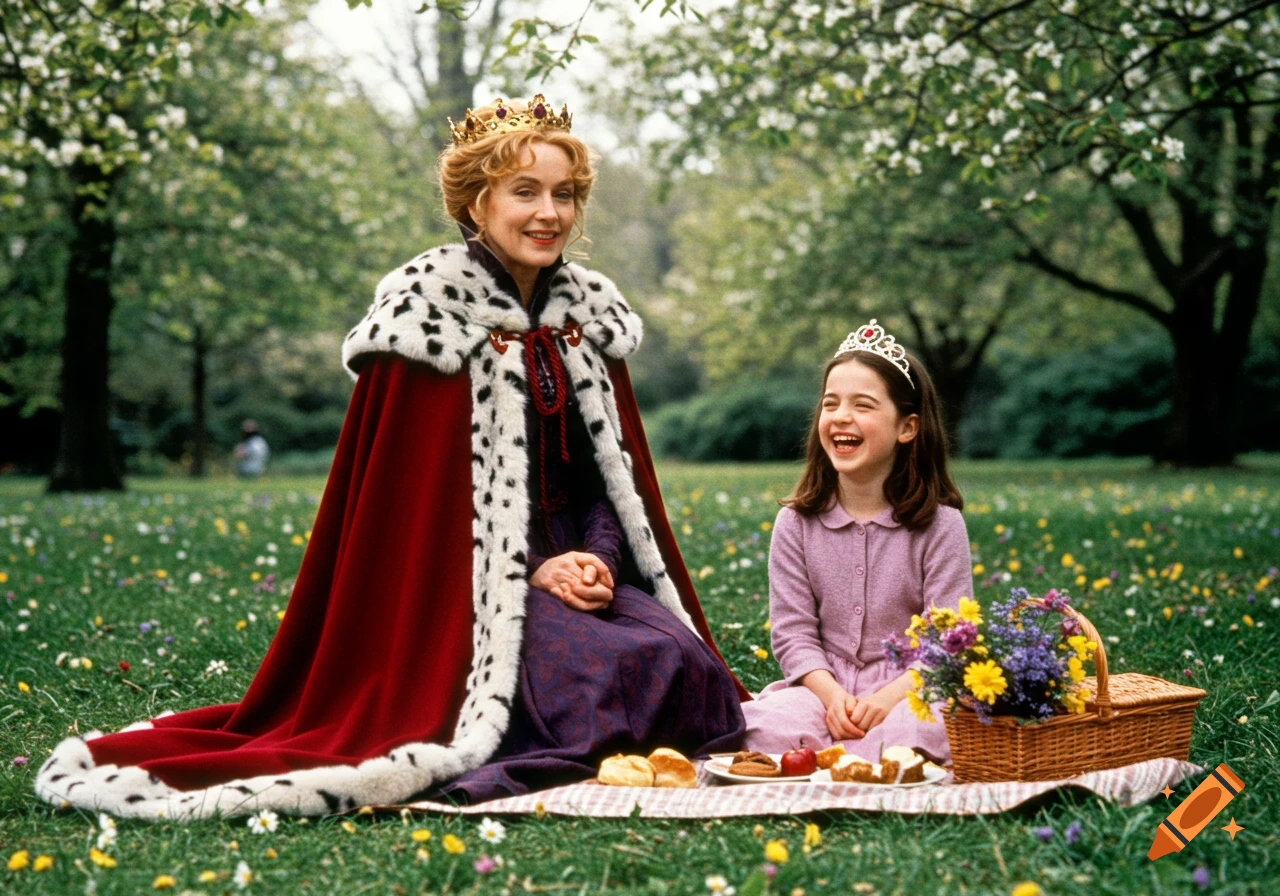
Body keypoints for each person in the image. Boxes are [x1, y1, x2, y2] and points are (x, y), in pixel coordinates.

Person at [35, 94, 746, 819]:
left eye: (564, 195)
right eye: (525, 192)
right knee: (607, 677)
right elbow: (412, 514)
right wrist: (533, 567)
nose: (549, 213)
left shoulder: (585, 321)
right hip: (461, 594)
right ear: (477, 204)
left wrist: (596, 558)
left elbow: (609, 484)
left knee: (685, 668)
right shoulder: (426, 320)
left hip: (576, 567)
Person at [740, 320, 973, 763]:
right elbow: (793, 634)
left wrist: (883, 702)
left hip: (909, 689)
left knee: (927, 728)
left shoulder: (941, 525)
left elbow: (946, 642)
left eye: (862, 405)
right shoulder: (795, 524)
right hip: (821, 690)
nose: (841, 416)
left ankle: (872, 757)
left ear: (907, 427)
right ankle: (847, 754)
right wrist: (832, 699)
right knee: (761, 726)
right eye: (830, 404)